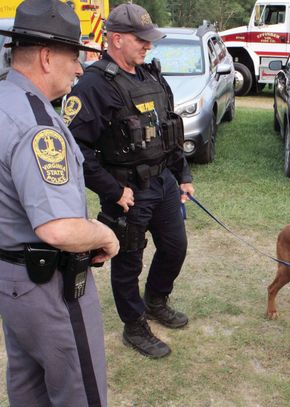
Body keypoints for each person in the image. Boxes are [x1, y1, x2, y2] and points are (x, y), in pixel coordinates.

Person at [0, 0, 119, 405]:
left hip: (5, 276)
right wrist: (105, 234)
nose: (79, 68)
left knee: (28, 385)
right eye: (74, 56)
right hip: (48, 285)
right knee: (79, 391)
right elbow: (58, 228)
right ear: (46, 57)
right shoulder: (37, 125)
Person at [64, 3, 195, 359]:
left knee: (174, 247)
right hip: (127, 193)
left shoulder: (151, 76)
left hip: (164, 183)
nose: (148, 47)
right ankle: (133, 325)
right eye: (141, 40)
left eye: (150, 41)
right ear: (116, 39)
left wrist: (182, 174)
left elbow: (169, 130)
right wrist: (112, 189)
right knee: (128, 262)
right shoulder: (93, 85)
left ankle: (155, 299)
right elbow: (76, 148)